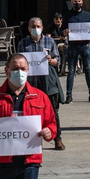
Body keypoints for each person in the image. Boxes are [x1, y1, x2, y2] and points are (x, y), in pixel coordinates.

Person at [17, 18, 65, 149]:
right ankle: (27, 139)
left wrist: (51, 60)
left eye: (38, 26)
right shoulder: (23, 43)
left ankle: (57, 138)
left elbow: (57, 61)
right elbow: (18, 61)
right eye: (33, 26)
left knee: (53, 111)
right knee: (27, 111)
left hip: (47, 82)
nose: (35, 28)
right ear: (28, 28)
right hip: (30, 83)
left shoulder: (49, 42)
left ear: (42, 28)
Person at [62, 0, 90, 103]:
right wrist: (64, 32)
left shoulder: (87, 15)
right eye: (74, 1)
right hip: (73, 45)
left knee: (88, 69)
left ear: (82, 2)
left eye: (78, 1)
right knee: (71, 70)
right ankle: (69, 95)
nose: (77, 3)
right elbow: (63, 31)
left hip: (85, 45)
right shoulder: (68, 15)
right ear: (71, 3)